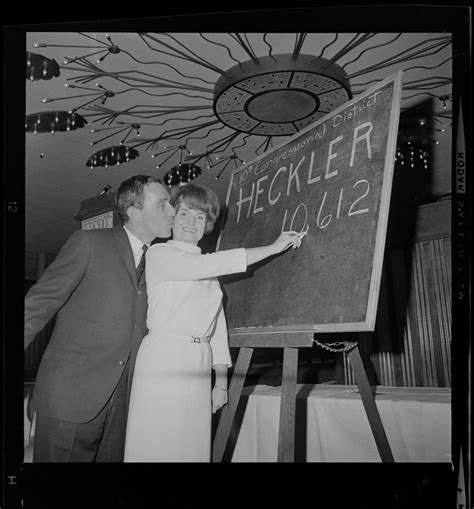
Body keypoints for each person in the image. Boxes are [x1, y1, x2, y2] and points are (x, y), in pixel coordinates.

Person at [124, 183, 302, 462]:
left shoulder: (210, 269)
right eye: (184, 213)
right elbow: (203, 267)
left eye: (200, 217)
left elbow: (217, 331)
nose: (191, 223)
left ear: (208, 224)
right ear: (172, 216)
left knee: (191, 445)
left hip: (199, 358)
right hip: (163, 357)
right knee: (158, 442)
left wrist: (220, 385)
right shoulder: (159, 254)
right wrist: (272, 248)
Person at [24, 175, 175, 462]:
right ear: (133, 211)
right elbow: (39, 303)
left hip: (126, 403)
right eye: (163, 204)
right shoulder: (89, 242)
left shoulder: (160, 261)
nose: (172, 211)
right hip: (71, 396)